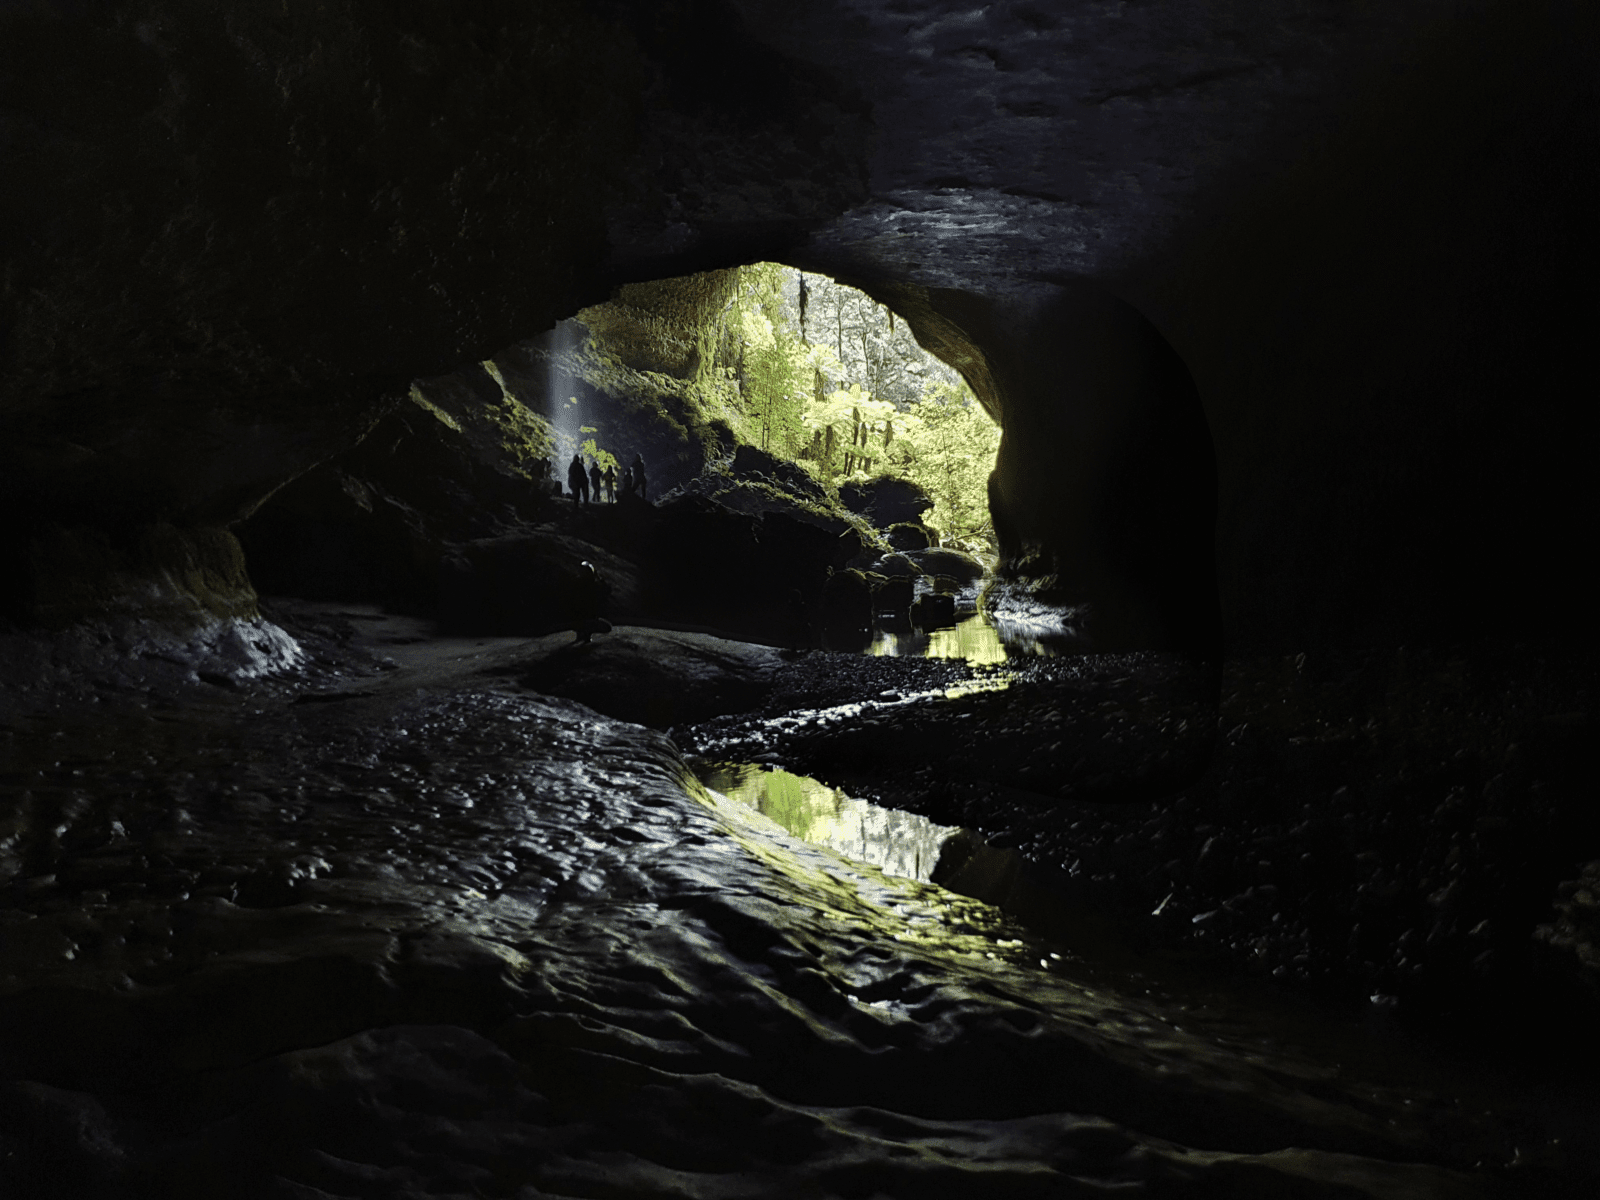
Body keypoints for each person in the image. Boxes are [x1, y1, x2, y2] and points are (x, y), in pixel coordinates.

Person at [572, 560, 611, 643]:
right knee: (587, 620)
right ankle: (584, 635)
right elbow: (606, 590)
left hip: (583, 615)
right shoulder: (591, 584)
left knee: (586, 620)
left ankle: (583, 635)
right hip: (584, 615)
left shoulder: (579, 582)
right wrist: (598, 578)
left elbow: (606, 590)